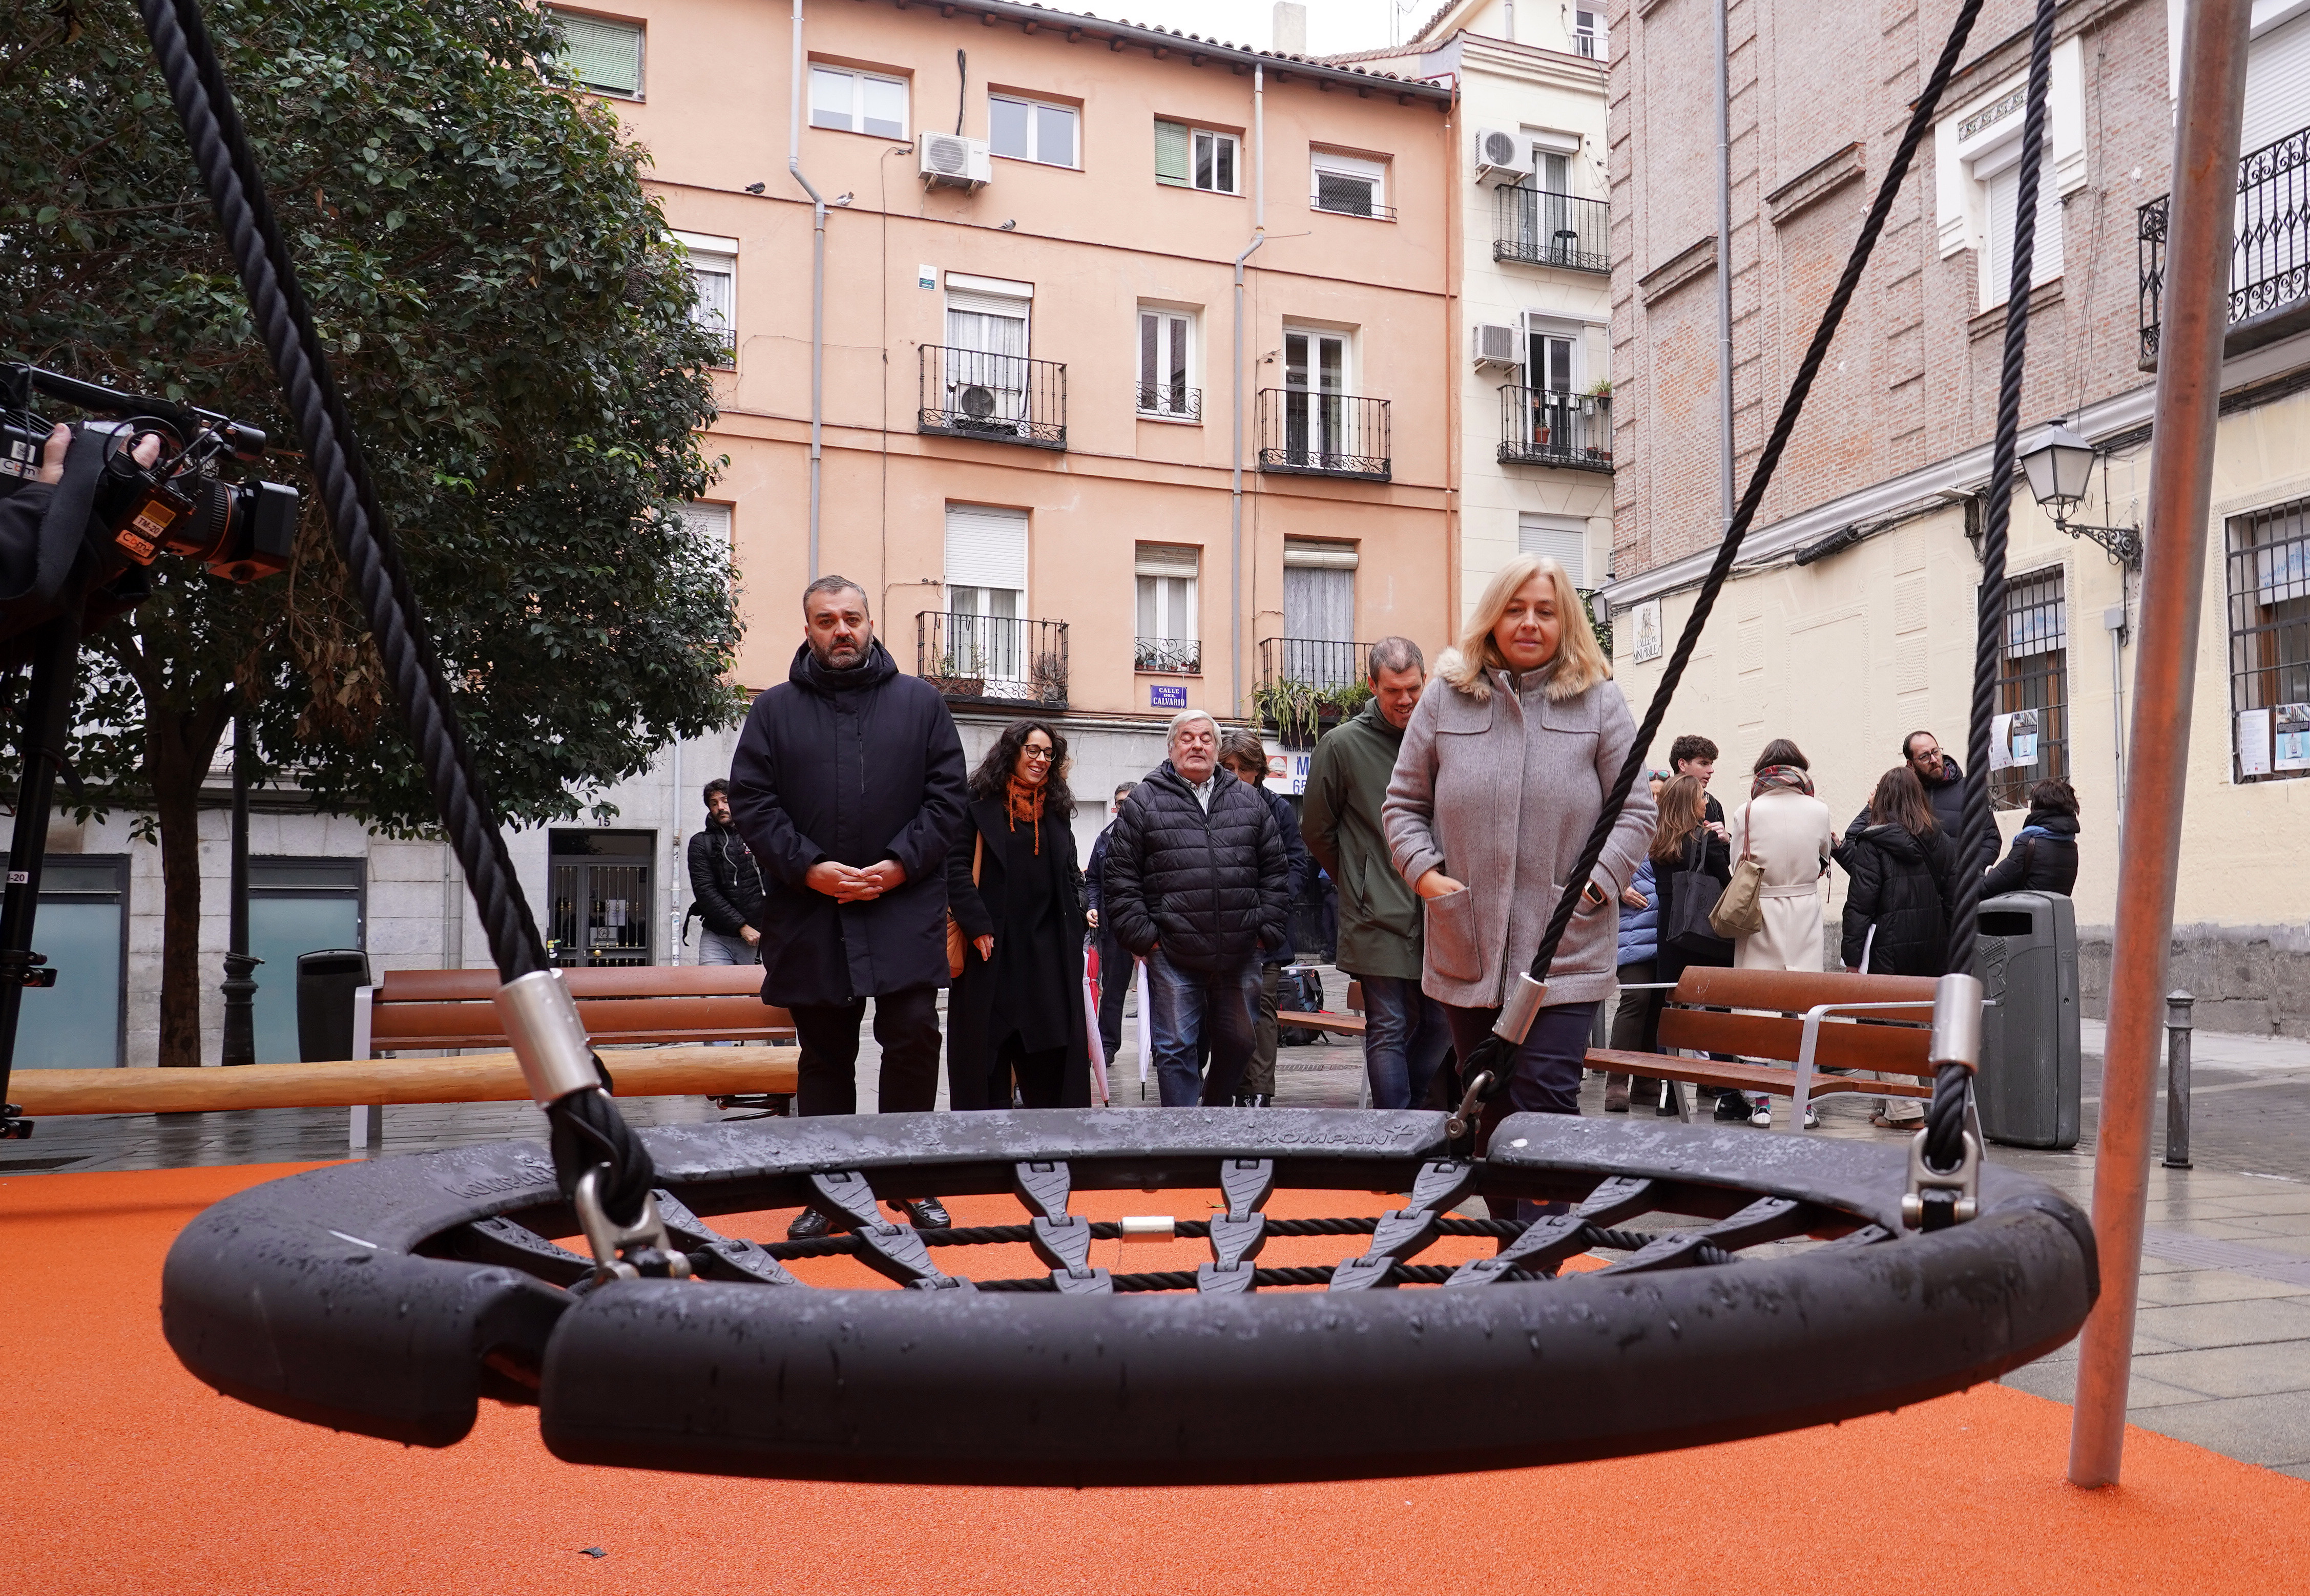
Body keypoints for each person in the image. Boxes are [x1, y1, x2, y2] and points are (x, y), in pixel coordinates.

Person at [728, 575, 968, 1237]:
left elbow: (948, 797)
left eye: (852, 618)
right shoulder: (773, 710)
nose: (842, 630)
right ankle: (830, 1191)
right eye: (827, 619)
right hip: (812, 912)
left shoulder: (921, 703)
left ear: (870, 623)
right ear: (807, 628)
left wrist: (899, 864)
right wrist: (809, 868)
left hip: (903, 906)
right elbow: (753, 802)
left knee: (914, 1036)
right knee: (824, 1054)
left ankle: (908, 1180)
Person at [1384, 553, 1655, 1131]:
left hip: (1566, 947)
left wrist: (1596, 887)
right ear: (1493, 617)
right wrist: (1426, 877)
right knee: (1487, 1101)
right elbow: (1403, 805)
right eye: (1515, 609)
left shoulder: (1599, 700)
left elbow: (1635, 810)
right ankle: (1509, 1197)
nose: (1530, 622)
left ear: (1566, 622)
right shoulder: (1444, 697)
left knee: (1546, 1099)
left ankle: (1546, 1197)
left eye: (1545, 611)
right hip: (1467, 944)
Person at [1102, 710, 1291, 1107]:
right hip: (1172, 951)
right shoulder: (1144, 802)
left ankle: (1213, 1112)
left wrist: (1264, 932)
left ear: (1216, 749)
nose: (1197, 745)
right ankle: (1184, 1135)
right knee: (1175, 1048)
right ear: (1171, 747)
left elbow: (1275, 870)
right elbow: (1120, 877)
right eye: (1187, 738)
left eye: (1206, 738)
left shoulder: (1247, 799)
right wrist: (1145, 940)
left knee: (1240, 1041)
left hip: (1240, 949)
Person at [1302, 636, 1452, 1111]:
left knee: (1442, 1024)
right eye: (1393, 691)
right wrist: (1359, 884)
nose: (1405, 700)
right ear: (1372, 686)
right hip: (1377, 914)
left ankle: (1401, 1117)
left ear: (1426, 680)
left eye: (1413, 689)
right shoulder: (1341, 745)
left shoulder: (1444, 738)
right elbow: (1316, 831)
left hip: (1441, 908)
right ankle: (1395, 1129)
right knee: (1387, 1026)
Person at [944, 721, 1094, 1111]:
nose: (1041, 760)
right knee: (987, 1055)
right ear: (1012, 751)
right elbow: (955, 867)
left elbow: (1071, 871)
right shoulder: (977, 802)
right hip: (990, 951)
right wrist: (976, 924)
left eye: (1048, 754)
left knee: (1048, 1057)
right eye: (1033, 750)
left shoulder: (1056, 808)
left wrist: (1078, 915)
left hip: (1046, 953)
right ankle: (986, 1137)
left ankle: (1051, 1137)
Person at [1838, 764, 1961, 1130]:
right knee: (1919, 1023)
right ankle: (1890, 1103)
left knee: (1885, 1022)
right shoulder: (1940, 839)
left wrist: (1851, 956)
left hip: (1889, 944)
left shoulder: (1873, 843)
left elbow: (1860, 905)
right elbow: (1953, 896)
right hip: (1933, 942)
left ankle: (1906, 1110)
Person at [1727, 739, 1835, 1128]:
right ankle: (1804, 1104)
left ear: (1762, 770)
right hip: (1804, 911)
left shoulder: (1747, 812)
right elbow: (1824, 855)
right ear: (1800, 769)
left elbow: (1735, 867)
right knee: (1806, 1009)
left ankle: (1761, 1103)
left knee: (1758, 1006)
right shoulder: (1819, 809)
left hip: (1762, 912)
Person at [1612, 773, 1732, 1115]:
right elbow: (1727, 886)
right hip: (1703, 937)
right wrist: (1724, 845)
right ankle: (1725, 1090)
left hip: (1668, 937)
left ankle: (1667, 1092)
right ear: (1689, 804)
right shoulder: (1705, 841)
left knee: (1668, 1012)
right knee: (1717, 1011)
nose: (1706, 802)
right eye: (1701, 797)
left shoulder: (1659, 844)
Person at [1218, 728, 1310, 1107]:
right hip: (1220, 929)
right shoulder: (1208, 805)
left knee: (1262, 1008)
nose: (1237, 775)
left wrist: (1272, 908)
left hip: (1265, 930)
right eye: (1228, 767)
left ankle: (1257, 1093)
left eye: (1244, 768)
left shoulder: (1278, 809)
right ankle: (1226, 1087)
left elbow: (1297, 864)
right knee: (1225, 1012)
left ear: (1258, 770)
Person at [1084, 782, 1138, 1065]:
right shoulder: (1104, 839)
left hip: (1148, 924)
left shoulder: (1154, 832)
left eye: (1130, 801)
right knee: (1113, 989)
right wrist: (1093, 906)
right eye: (1120, 803)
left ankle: (1161, 1048)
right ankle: (1107, 1045)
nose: (1123, 807)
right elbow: (1093, 879)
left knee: (1161, 989)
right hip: (1114, 926)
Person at [688, 779, 764, 967]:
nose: (720, 807)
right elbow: (705, 891)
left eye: (726, 800)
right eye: (714, 803)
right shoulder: (701, 843)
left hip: (759, 937)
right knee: (712, 986)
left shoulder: (759, 836)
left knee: (759, 987)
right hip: (717, 937)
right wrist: (741, 927)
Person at [1850, 731, 1968, 846]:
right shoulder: (1898, 792)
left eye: (1936, 752)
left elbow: (1979, 839)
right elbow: (1852, 840)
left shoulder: (1967, 789)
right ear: (1911, 764)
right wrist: (1874, 808)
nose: (1934, 760)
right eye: (1924, 757)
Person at [1983, 778, 2081, 896]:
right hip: (2053, 909)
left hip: (2023, 907)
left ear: (2039, 806)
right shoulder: (2071, 845)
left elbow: (1989, 887)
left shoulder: (2029, 843)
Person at [1669, 734, 1726, 828]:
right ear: (1682, 765)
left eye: (1711, 764)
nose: (1711, 770)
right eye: (1704, 763)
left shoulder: (1713, 806)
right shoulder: (1660, 800)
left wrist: (1725, 836)